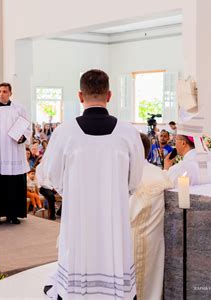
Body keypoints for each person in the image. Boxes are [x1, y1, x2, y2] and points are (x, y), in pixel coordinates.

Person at [40, 70, 144, 299]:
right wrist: (114, 191)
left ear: (80, 95)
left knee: (77, 254)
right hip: (114, 215)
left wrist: (75, 191)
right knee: (114, 256)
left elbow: (52, 176)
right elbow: (135, 179)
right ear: (109, 95)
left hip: (78, 214)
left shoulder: (64, 131)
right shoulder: (128, 132)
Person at [131, 133, 173, 300]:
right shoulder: (159, 173)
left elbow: (127, 214)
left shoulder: (132, 177)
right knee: (152, 282)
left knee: (136, 284)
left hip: (133, 238)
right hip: (155, 238)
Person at [0, 83, 31, 225]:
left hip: (13, 150)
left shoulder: (19, 108)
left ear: (10, 93)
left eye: (4, 91)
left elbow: (27, 125)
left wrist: (22, 137)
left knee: (13, 185)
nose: (1, 94)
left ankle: (13, 214)